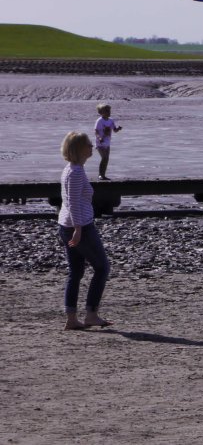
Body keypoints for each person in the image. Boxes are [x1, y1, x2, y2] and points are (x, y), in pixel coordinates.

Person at [58, 131, 112, 330]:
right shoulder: (76, 171)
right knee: (102, 267)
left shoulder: (72, 168)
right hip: (78, 227)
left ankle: (72, 319)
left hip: (67, 225)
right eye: (89, 145)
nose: (92, 147)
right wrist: (79, 229)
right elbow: (72, 202)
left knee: (76, 272)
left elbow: (71, 201)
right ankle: (91, 314)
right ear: (79, 148)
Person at [94, 103, 122, 180]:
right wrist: (99, 138)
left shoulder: (111, 120)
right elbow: (96, 131)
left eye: (109, 110)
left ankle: (103, 175)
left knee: (106, 159)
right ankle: (100, 174)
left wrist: (118, 129)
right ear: (101, 113)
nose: (108, 112)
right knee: (104, 158)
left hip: (107, 143)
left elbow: (114, 130)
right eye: (106, 111)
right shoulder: (99, 121)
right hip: (100, 143)